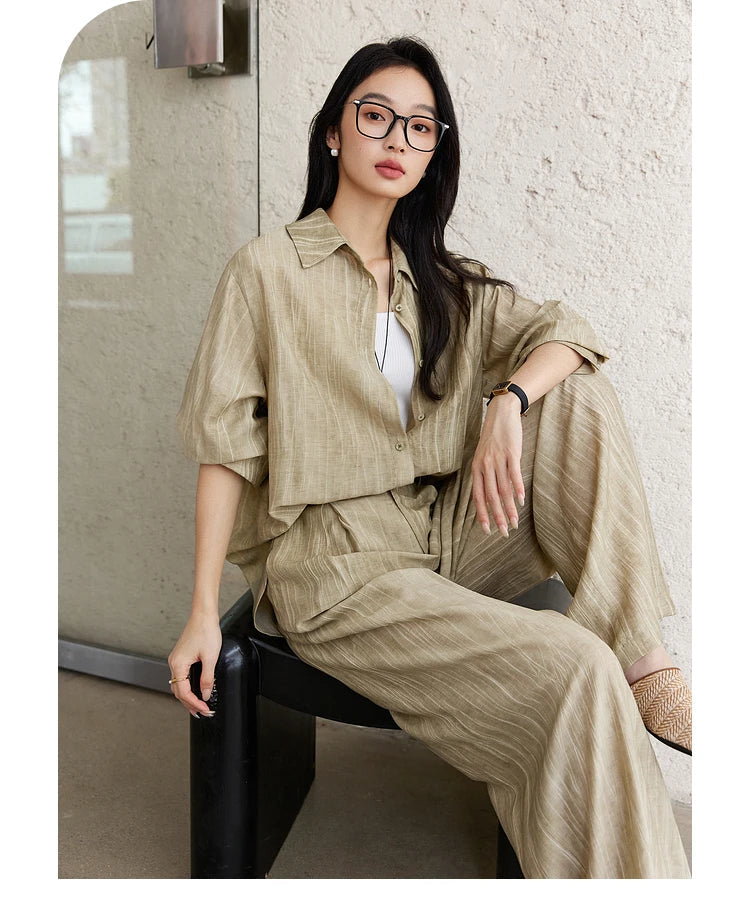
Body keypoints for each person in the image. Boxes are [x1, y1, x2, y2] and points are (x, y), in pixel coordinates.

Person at [168, 36, 691, 878]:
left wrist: (506, 404)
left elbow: (571, 333)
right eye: (376, 117)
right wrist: (200, 608)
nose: (398, 141)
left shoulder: (438, 278)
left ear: (434, 149)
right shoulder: (265, 274)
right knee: (571, 668)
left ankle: (644, 654)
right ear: (333, 133)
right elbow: (223, 448)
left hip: (439, 533)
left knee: (571, 391)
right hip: (336, 565)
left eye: (420, 127)